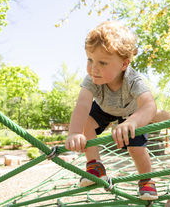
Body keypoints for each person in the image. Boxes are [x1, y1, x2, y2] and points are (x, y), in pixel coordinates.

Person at [65, 21, 158, 200]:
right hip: (104, 108)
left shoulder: (133, 80)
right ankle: (95, 165)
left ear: (124, 64)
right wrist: (75, 132)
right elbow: (82, 105)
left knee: (135, 149)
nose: (93, 68)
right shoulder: (92, 78)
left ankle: (146, 180)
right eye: (90, 60)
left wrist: (132, 121)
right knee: (87, 122)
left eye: (102, 62)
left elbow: (149, 106)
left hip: (131, 113)